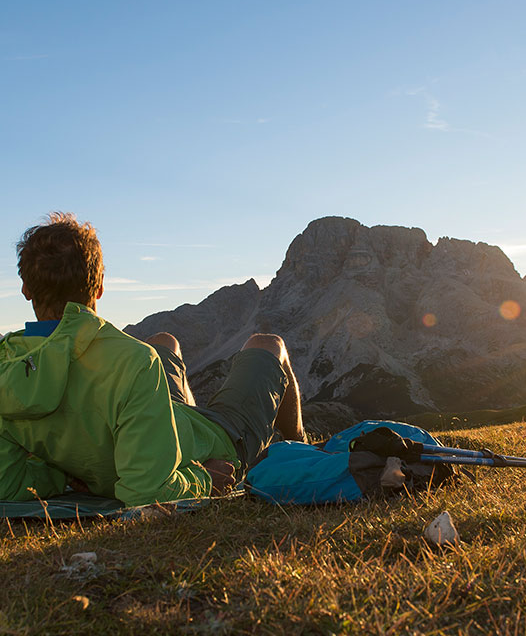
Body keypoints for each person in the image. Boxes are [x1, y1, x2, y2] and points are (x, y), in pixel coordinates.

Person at [0, 212, 306, 507]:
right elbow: (148, 491)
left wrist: (66, 475)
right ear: (100, 286)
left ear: (26, 289)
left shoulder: (7, 365)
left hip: (156, 425)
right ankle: (302, 445)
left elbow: (8, 483)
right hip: (218, 444)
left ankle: (190, 421)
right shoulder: (132, 360)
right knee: (268, 344)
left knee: (164, 342)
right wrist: (204, 478)